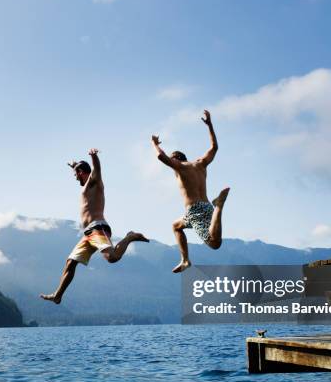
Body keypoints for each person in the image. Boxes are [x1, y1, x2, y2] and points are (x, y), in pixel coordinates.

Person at [41, 148, 149, 304]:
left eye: (76, 174)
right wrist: (74, 166)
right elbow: (82, 170)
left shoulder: (94, 182)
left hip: (98, 228)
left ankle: (129, 237)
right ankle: (58, 295)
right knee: (70, 262)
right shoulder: (86, 186)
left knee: (112, 258)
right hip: (88, 233)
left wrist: (94, 157)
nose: (74, 178)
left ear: (82, 172)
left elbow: (97, 170)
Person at [151, 110, 230, 273]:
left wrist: (155, 143)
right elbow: (214, 147)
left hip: (195, 211)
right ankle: (185, 260)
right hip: (204, 207)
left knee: (215, 243)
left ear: (175, 160)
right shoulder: (200, 164)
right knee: (176, 225)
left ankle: (219, 206)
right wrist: (210, 125)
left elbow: (161, 157)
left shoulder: (180, 167)